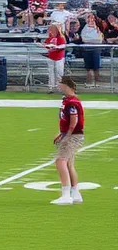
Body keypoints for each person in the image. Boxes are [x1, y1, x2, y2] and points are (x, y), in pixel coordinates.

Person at [51, 77, 86, 205]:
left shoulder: (72, 102)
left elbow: (74, 120)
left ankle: (66, 194)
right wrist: (61, 132)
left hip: (73, 135)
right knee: (69, 164)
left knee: (61, 161)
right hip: (71, 134)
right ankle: (75, 193)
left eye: (61, 84)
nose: (59, 86)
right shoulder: (67, 100)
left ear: (67, 85)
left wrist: (67, 135)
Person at [43, 23, 67, 93]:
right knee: (51, 72)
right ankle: (51, 87)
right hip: (51, 57)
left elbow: (63, 46)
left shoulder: (61, 37)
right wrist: (46, 45)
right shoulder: (49, 37)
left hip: (59, 57)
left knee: (59, 72)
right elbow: (46, 44)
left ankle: (60, 88)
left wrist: (56, 47)